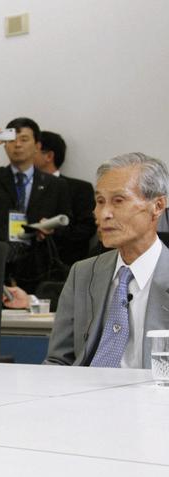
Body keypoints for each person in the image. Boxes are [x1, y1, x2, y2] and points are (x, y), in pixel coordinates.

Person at [46, 153, 169, 368]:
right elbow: (59, 361)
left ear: (157, 206)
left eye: (118, 201)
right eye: (100, 201)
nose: (103, 214)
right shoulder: (82, 273)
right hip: (85, 397)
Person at [0, 117, 73, 293]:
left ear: (37, 145)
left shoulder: (55, 184)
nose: (17, 145)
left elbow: (68, 222)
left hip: (38, 263)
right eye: (12, 140)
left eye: (24, 139)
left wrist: (51, 227)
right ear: (5, 145)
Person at [35, 130, 97, 265]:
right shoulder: (21, 188)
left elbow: (87, 229)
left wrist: (54, 230)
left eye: (33, 150)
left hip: (65, 266)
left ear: (49, 156)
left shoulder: (80, 189)